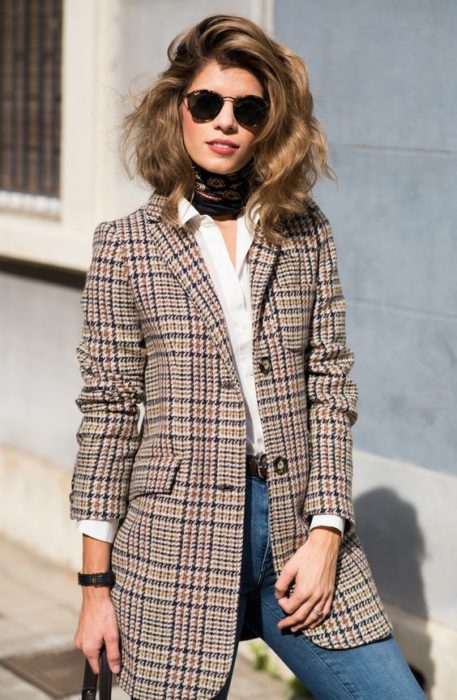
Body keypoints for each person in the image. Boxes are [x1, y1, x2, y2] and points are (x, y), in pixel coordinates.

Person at [69, 13, 426, 700]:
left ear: (268, 123)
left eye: (246, 108)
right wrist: (93, 587)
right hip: (174, 538)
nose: (224, 121)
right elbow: (108, 413)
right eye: (206, 103)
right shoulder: (124, 245)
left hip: (296, 529)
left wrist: (326, 531)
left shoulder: (302, 230)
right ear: (178, 111)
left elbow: (330, 381)